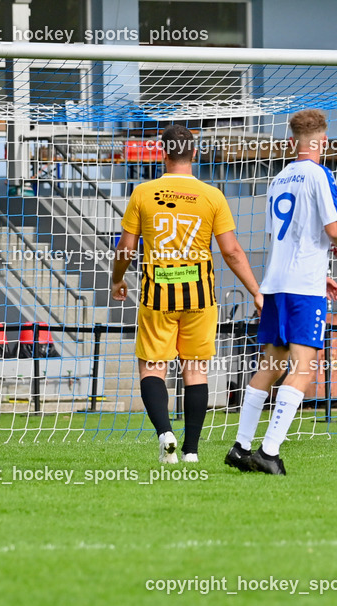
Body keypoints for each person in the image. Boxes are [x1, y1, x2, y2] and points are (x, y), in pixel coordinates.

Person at [111, 124, 263, 464]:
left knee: (152, 368)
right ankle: (192, 451)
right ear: (193, 153)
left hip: (158, 294)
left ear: (163, 154)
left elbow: (126, 248)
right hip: (200, 296)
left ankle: (165, 434)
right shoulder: (212, 196)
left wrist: (117, 280)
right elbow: (233, 252)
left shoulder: (143, 193)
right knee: (195, 370)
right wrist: (256, 291)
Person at [225, 109, 337, 476]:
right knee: (305, 367)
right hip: (301, 288)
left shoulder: (279, 178)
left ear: (293, 139)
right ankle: (269, 450)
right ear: (322, 140)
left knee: (272, 363)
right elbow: (332, 227)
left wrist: (320, 269)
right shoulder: (319, 174)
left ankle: (241, 446)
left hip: (276, 282)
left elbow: (285, 234)